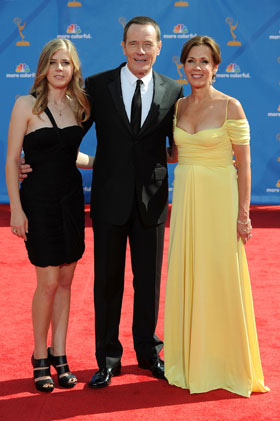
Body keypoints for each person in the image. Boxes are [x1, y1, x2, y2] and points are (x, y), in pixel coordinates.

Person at [19, 16, 183, 389]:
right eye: (133, 44)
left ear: (160, 47)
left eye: (148, 44)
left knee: (149, 283)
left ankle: (148, 352)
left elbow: (178, 144)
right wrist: (36, 164)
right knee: (106, 283)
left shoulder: (174, 91)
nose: (141, 51)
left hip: (152, 202)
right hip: (108, 201)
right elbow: (67, 136)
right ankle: (108, 359)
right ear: (123, 46)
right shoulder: (96, 86)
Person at [164, 35, 269, 397]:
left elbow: (245, 165)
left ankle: (224, 360)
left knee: (220, 275)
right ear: (182, 65)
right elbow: (174, 155)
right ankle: (189, 357)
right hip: (188, 201)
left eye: (204, 61)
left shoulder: (230, 107)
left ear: (216, 67)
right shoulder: (176, 107)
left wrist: (243, 214)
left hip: (220, 201)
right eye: (191, 60)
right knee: (189, 271)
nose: (197, 67)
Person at [6, 38, 91, 392]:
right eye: (54, 62)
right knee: (48, 282)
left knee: (68, 282)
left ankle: (61, 353)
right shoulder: (25, 104)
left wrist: (102, 164)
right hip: (38, 203)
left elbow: (69, 154)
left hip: (71, 201)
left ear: (74, 69)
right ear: (43, 67)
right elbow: (13, 160)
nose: (60, 68)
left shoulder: (80, 105)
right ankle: (39, 355)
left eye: (66, 63)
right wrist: (16, 210)